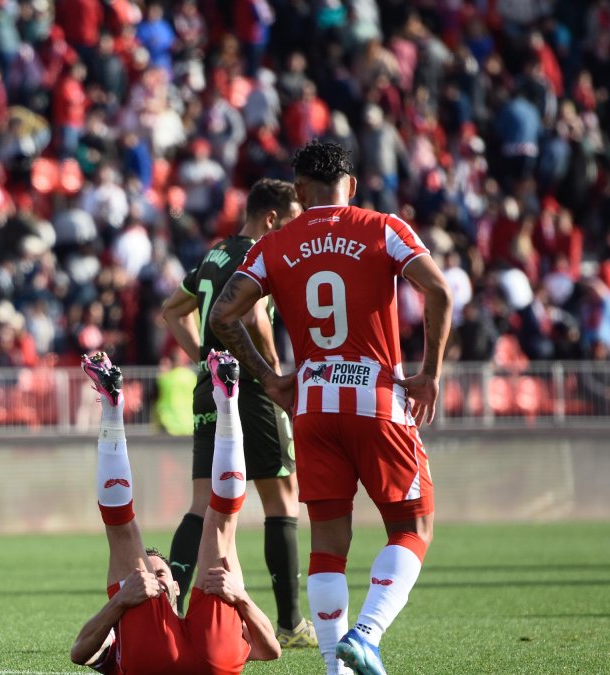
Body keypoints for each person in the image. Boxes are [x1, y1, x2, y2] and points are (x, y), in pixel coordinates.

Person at [207, 140, 453, 675]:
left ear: (299, 191)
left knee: (328, 543)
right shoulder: (382, 226)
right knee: (414, 526)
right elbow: (438, 292)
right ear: (353, 186)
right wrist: (430, 375)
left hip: (312, 405)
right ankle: (365, 634)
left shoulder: (275, 244)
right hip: (376, 399)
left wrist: (271, 379)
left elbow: (223, 315)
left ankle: (334, 668)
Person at [161, 178, 316, 648]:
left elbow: (173, 309)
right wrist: (274, 377)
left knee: (201, 502)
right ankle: (290, 625)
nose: (294, 230)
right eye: (291, 220)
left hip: (210, 386)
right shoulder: (259, 254)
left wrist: (200, 358)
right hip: (250, 388)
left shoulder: (215, 255)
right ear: (271, 218)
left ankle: (170, 611)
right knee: (283, 496)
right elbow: (251, 318)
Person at [69, 351, 280, 675]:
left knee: (124, 529)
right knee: (220, 522)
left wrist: (125, 597)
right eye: (152, 574)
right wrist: (240, 598)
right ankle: (227, 402)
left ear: (177, 585)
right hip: (205, 658)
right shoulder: (120, 627)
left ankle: (113, 408)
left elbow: (270, 651)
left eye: (159, 574)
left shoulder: (136, 611)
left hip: (156, 658)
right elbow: (271, 651)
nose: (153, 579)